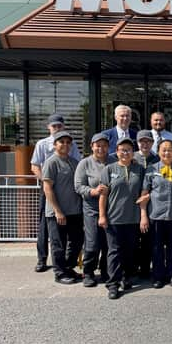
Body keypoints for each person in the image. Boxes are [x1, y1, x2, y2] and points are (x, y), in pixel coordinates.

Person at [31, 113, 81, 273]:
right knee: (52, 234)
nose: (65, 144)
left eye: (59, 125)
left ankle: (67, 267)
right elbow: (35, 167)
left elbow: (79, 170)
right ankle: (50, 264)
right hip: (51, 191)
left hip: (70, 201)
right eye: (54, 126)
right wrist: (48, 180)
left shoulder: (72, 156)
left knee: (74, 238)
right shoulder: (46, 152)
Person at [140, 139, 172, 288]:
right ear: (158, 152)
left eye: (170, 149)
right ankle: (158, 276)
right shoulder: (151, 170)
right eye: (163, 149)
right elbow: (144, 194)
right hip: (156, 216)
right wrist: (143, 215)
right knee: (156, 248)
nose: (166, 152)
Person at [99, 137, 146, 299]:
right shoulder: (109, 169)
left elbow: (144, 192)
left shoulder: (139, 169)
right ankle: (113, 284)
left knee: (130, 251)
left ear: (133, 152)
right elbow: (103, 195)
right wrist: (102, 216)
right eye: (122, 150)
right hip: (114, 218)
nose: (125, 153)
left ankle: (126, 277)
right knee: (114, 251)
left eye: (128, 150)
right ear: (117, 152)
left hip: (133, 219)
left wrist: (143, 213)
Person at [41, 131, 83, 284]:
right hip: (57, 212)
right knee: (59, 244)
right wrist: (58, 210)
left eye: (68, 142)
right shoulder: (51, 162)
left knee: (77, 241)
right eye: (61, 142)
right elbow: (47, 188)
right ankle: (59, 273)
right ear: (55, 145)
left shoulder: (74, 162)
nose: (65, 144)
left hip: (74, 211)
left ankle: (68, 268)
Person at [74, 132, 111, 287]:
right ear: (92, 146)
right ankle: (88, 272)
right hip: (91, 209)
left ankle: (105, 271)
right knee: (92, 242)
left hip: (111, 209)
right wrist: (92, 191)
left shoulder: (114, 161)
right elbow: (78, 186)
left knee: (107, 243)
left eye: (104, 145)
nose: (101, 148)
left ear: (108, 147)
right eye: (97, 145)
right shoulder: (84, 163)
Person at [132, 129, 159, 278]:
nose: (145, 144)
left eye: (148, 141)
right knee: (133, 239)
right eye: (142, 141)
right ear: (138, 143)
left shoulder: (157, 159)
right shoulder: (131, 156)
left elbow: (165, 181)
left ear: (152, 143)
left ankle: (145, 268)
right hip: (131, 205)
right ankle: (133, 267)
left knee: (148, 238)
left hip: (151, 205)